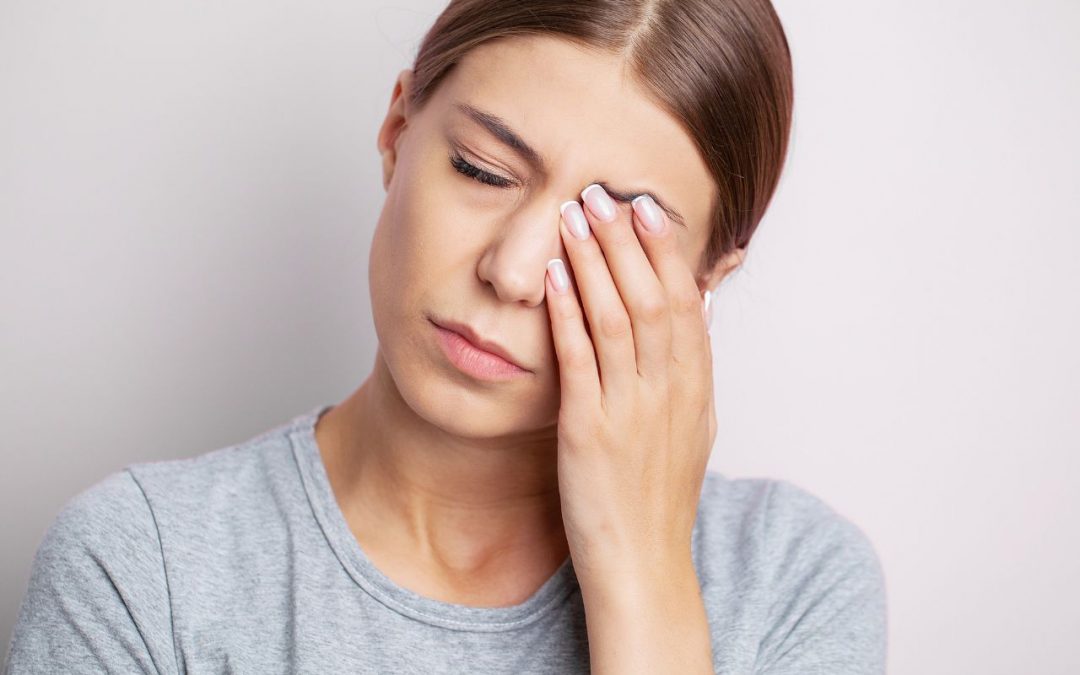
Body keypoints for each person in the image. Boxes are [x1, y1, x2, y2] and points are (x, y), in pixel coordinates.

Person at [4, 1, 887, 673]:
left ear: (702, 283)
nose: (510, 270)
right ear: (398, 129)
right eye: (482, 171)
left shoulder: (792, 581)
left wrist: (643, 579)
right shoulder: (140, 567)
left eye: (606, 237)